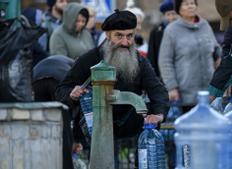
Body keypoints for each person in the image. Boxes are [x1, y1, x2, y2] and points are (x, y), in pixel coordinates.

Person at [55, 9, 169, 140]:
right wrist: (72, 94)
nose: (125, 42)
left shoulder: (140, 61)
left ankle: (143, 161)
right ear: (108, 35)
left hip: (126, 122)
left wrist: (158, 115)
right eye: (119, 36)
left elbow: (157, 89)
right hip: (94, 126)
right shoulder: (88, 59)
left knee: (150, 115)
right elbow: (61, 90)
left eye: (129, 36)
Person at [159, 0, 221, 112]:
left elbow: (216, 48)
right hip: (186, 92)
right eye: (186, 4)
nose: (190, 6)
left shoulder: (205, 25)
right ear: (179, 9)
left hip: (209, 90)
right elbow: (165, 61)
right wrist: (172, 87)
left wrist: (220, 58)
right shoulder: (171, 30)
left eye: (192, 3)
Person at [148, 0, 177, 77]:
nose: (171, 17)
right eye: (168, 14)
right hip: (162, 73)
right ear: (164, 15)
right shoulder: (156, 31)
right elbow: (152, 55)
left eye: (173, 14)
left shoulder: (182, 29)